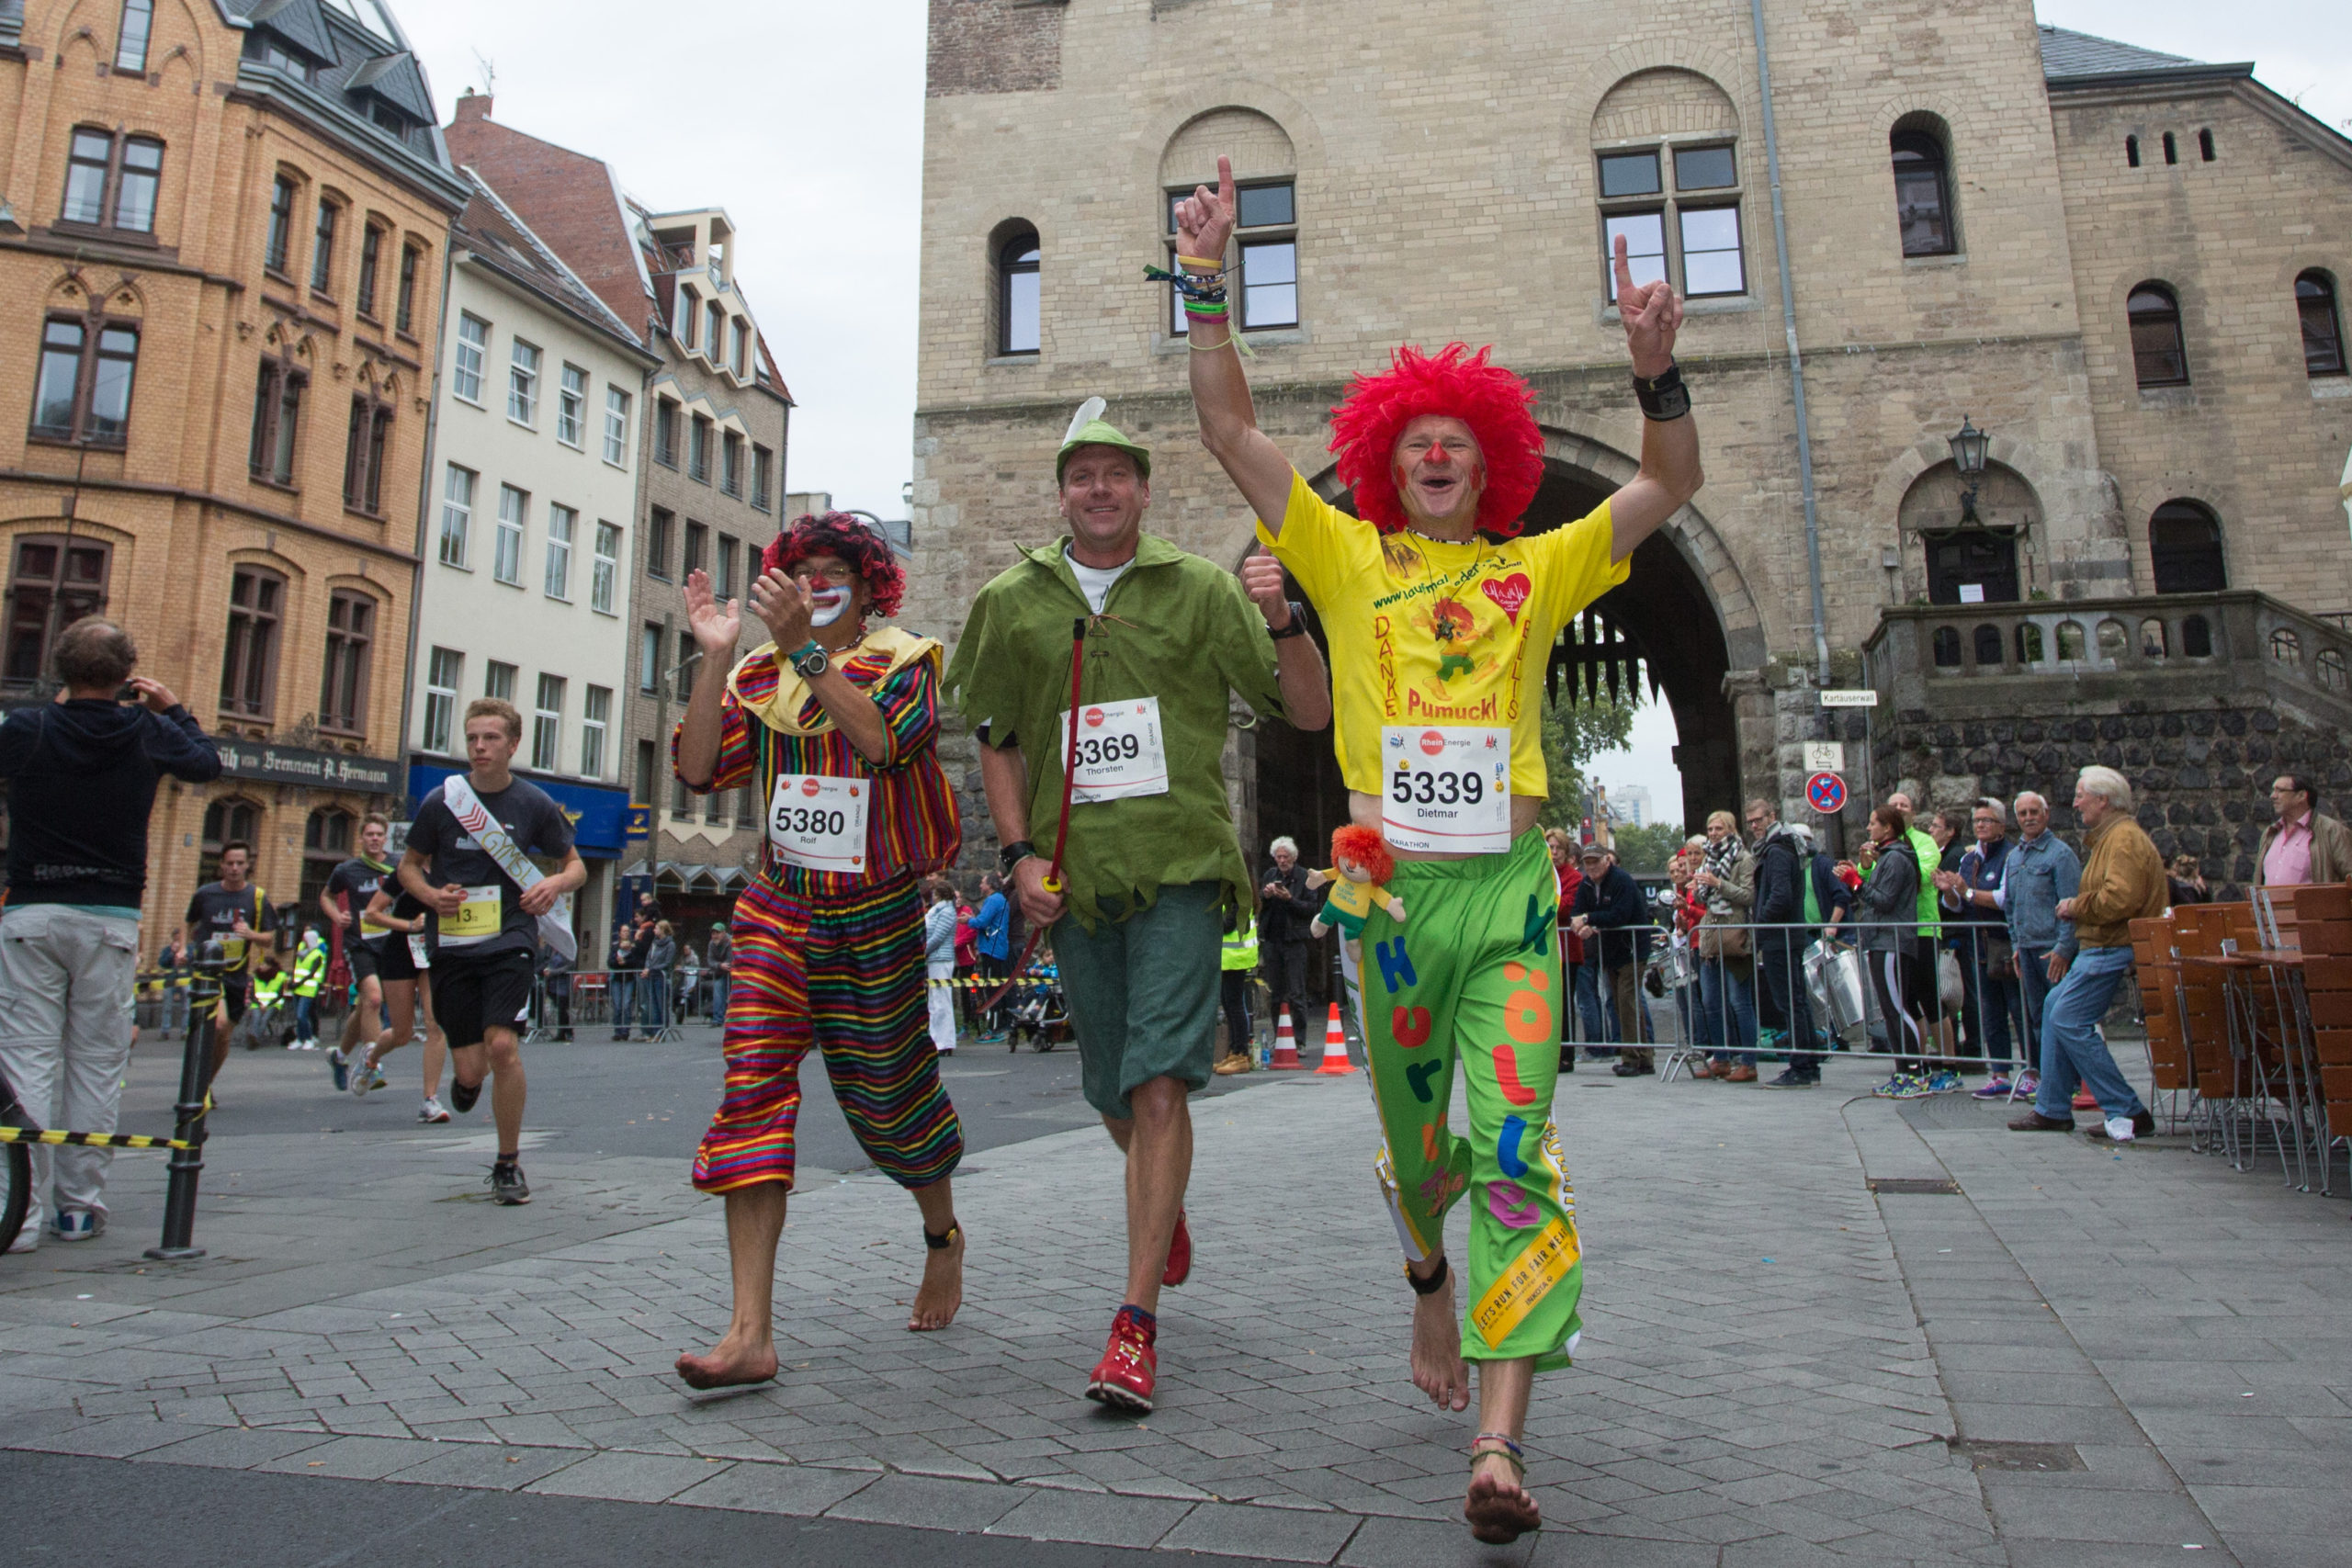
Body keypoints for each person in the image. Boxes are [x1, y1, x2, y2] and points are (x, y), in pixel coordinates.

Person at [1182, 145, 1702, 1539]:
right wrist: (1206, 283)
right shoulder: (1342, 559)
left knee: (1518, 1148)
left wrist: (1657, 368)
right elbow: (1231, 431)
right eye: (1416, 440)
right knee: (1426, 1157)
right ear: (1385, 454)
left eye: (1459, 444)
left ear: (1492, 465)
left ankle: (1498, 1440)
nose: (1435, 456)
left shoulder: (1539, 569)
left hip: (1516, 901)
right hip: (1388, 903)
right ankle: (1427, 1265)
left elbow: (1667, 483)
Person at [945, 389, 1330, 1417]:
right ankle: (1164, 1211)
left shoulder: (1201, 589)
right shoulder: (1011, 600)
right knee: (1113, 1095)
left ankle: (1131, 1323)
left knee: (1159, 1085)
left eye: (1118, 474)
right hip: (1073, 882)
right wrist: (1018, 854)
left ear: (1145, 492)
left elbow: (1308, 708)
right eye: (1083, 475)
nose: (1100, 489)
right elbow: (991, 731)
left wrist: (1281, 614)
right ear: (1063, 492)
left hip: (1180, 869)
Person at [670, 510, 968, 1388]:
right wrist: (718, 653)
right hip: (777, 908)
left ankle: (941, 1232)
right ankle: (748, 1332)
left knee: (890, 1103)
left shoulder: (906, 661)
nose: (817, 582)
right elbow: (694, 768)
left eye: (835, 568)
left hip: (873, 913)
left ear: (873, 582)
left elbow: (882, 743)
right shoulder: (759, 674)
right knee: (750, 1093)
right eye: (802, 571)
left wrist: (808, 653)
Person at [0, 617, 219, 1249]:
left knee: (26, 1059)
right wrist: (173, 707)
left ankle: (17, 1214)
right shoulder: (146, 730)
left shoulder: (30, 729)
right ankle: (79, 1205)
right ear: (128, 675)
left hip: (32, 909)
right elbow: (205, 763)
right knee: (97, 1062)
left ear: (62, 670)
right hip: (111, 914)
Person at [396, 697, 586, 1204]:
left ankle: (508, 1163)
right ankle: (465, 1083)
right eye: (473, 738)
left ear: (513, 745)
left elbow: (576, 865)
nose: (479, 747)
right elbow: (408, 866)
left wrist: (554, 886)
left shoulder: (533, 804)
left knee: (503, 1046)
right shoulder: (442, 801)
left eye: (491, 738)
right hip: (454, 945)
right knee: (471, 1070)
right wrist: (431, 895)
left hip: (511, 938)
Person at [2010, 767, 2167, 1142]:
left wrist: (2075, 906)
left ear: (2103, 800)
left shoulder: (2123, 840)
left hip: (2110, 944)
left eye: (2081, 795)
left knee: (2066, 1017)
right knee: (2054, 1010)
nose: (2076, 802)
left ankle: (2125, 1107)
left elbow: (2121, 898)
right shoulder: (2114, 838)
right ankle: (2052, 1108)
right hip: (2103, 944)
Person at [1990, 790, 2076, 1103]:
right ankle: (2048, 1079)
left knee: (2062, 1016)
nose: (2028, 818)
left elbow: (2070, 904)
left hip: (2052, 948)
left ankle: (2071, 1080)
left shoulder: (2061, 855)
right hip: (2026, 948)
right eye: (2023, 813)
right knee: (2038, 1019)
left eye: (2033, 812)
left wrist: (2065, 948)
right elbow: (2011, 907)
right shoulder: (2015, 857)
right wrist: (2016, 943)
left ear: (2046, 814)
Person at [1939, 800, 2022, 1097]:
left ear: (2001, 825)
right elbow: (1957, 906)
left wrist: (1967, 892)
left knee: (2018, 1008)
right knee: (1990, 1011)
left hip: (2005, 943)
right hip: (1980, 945)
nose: (1981, 825)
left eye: (1987, 820)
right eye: (1977, 821)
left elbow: (2003, 898)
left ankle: (2032, 1070)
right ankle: (2000, 1073)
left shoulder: (2012, 855)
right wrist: (1949, 892)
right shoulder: (1970, 859)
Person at [178, 839, 276, 1089]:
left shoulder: (256, 897)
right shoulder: (205, 894)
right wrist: (182, 947)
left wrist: (250, 935)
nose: (234, 868)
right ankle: (199, 1085)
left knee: (224, 1037)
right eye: (229, 863)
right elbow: (188, 921)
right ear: (221, 865)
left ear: (247, 865)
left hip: (237, 975)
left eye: (239, 863)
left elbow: (269, 939)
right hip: (208, 972)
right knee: (218, 1024)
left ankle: (204, 1085)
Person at [353, 880, 448, 1121]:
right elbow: (372, 915)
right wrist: (409, 925)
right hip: (400, 952)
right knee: (401, 1034)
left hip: (434, 949)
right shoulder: (406, 872)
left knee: (435, 1022)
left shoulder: (449, 867)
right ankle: (371, 1057)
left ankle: (430, 1101)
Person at [1853, 804, 1930, 1095]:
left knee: (1897, 1008)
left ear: (1888, 828)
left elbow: (1885, 900)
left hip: (1892, 941)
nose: (1869, 828)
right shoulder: (1886, 857)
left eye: (1873, 823)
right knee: (1889, 1009)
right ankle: (1904, 1072)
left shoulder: (1896, 858)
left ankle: (1914, 1073)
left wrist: (1858, 885)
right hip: (1881, 939)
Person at [1745, 799, 1822, 1088]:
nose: (1754, 825)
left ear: (1772, 816)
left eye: (1759, 819)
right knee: (1796, 1001)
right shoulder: (1786, 846)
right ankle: (1808, 1063)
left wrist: (1759, 926)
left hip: (1780, 936)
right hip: (1787, 935)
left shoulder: (1777, 850)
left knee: (1790, 1002)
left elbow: (1779, 897)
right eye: (1750, 821)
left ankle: (1802, 1065)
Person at [322, 815, 398, 1089]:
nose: (375, 839)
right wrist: (336, 915)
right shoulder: (347, 869)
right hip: (360, 944)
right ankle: (373, 1065)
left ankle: (339, 1056)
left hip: (391, 943)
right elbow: (326, 896)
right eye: (370, 834)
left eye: (379, 834)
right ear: (361, 838)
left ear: (385, 837)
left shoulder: (397, 865)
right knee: (374, 1000)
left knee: (365, 1006)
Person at [1574, 846, 1657, 1077]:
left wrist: (1588, 919)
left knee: (1627, 1001)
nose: (1590, 867)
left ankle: (1631, 1058)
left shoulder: (1621, 880)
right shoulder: (1587, 884)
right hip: (1610, 951)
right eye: (1587, 863)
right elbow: (1577, 912)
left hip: (1631, 949)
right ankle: (1644, 1057)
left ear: (1606, 860)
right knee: (1623, 1004)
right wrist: (1581, 923)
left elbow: (1619, 914)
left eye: (1595, 862)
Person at [1687, 808, 1757, 1081]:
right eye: (1710, 829)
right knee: (1710, 1001)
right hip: (1711, 937)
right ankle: (1722, 1057)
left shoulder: (1744, 858)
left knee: (1739, 1001)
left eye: (1719, 829)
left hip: (1734, 935)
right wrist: (1699, 889)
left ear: (1731, 829)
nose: (1714, 834)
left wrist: (1719, 883)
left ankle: (1749, 1062)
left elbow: (1748, 896)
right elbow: (1706, 899)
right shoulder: (1708, 859)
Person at [1256, 835, 1323, 1048]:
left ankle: (1300, 1040)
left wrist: (1289, 899)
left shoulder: (1305, 877)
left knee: (1296, 993)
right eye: (1278, 857)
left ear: (1293, 857)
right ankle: (1281, 1039)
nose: (1282, 861)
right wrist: (1266, 896)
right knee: (1276, 993)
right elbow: (1261, 907)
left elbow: (1311, 909)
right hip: (1273, 941)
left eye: (1285, 857)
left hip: (1295, 941)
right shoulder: (1270, 875)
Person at [2255, 774, 2349, 891]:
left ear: (2301, 796)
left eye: (2280, 791)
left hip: (2314, 908)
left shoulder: (2331, 831)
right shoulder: (2270, 834)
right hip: (2269, 909)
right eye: (2273, 790)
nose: (2273, 796)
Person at [1544, 829, 1585, 1068]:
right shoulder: (1540, 874)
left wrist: (1545, 902)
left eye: (1559, 848)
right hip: (1545, 949)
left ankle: (1566, 1054)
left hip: (1568, 950)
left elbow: (1566, 907)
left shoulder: (1573, 878)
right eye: (1551, 847)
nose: (1555, 852)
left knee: (1565, 1003)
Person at [1216, 899, 1259, 1075]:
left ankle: (1240, 1054)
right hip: (1229, 959)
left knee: (1235, 1006)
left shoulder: (1236, 899)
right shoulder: (1231, 896)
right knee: (1229, 1004)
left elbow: (1228, 925)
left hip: (1236, 959)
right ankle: (1234, 1052)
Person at [969, 873, 1011, 1044]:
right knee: (994, 987)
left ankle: (995, 1028)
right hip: (996, 947)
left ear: (991, 885)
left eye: (983, 882)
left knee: (991, 989)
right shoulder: (1001, 899)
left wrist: (968, 921)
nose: (980, 885)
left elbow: (982, 921)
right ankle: (998, 1025)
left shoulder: (993, 900)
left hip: (991, 948)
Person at [923, 877, 960, 1055]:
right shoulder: (938, 911)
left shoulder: (946, 912)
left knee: (941, 1001)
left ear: (939, 895)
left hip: (941, 958)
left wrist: (923, 951)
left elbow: (938, 937)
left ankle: (944, 1042)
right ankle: (936, 1039)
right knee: (935, 1002)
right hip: (935, 959)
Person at [288, 926, 326, 1050]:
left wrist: (298, 983)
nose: (303, 941)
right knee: (298, 1016)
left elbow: (311, 973)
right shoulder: (301, 951)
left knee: (301, 1015)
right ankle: (300, 1039)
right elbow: (297, 968)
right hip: (297, 988)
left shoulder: (317, 954)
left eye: (306, 939)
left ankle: (309, 1039)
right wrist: (292, 981)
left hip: (308, 989)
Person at [608, 923, 641, 1041]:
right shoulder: (614, 946)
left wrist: (625, 962)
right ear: (619, 933)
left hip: (628, 979)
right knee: (617, 1005)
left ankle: (625, 1030)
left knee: (626, 1004)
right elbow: (610, 962)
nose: (626, 933)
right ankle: (617, 1030)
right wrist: (618, 962)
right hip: (617, 978)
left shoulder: (633, 947)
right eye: (624, 931)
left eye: (627, 931)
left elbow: (636, 961)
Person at [706, 923, 734, 1020]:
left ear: (724, 933)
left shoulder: (731, 942)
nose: (715, 936)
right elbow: (710, 961)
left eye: (717, 933)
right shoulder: (711, 944)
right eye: (713, 933)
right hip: (721, 972)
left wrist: (721, 965)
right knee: (718, 991)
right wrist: (720, 965)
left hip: (734, 972)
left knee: (735, 995)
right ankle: (718, 1019)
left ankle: (735, 1018)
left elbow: (731, 959)